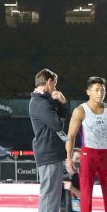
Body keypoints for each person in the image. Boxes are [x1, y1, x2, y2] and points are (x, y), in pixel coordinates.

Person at [29, 68, 69, 212]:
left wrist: (62, 103)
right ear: (49, 82)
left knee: (53, 194)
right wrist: (61, 104)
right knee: (49, 194)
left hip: (51, 151)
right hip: (49, 152)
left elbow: (60, 118)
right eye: (55, 84)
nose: (55, 88)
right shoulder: (41, 103)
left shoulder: (44, 101)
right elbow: (58, 124)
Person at [66, 76, 107, 212]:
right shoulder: (80, 111)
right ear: (88, 92)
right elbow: (71, 137)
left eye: (102, 90)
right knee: (86, 195)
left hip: (106, 156)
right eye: (96, 90)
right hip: (88, 155)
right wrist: (69, 158)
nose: (100, 93)